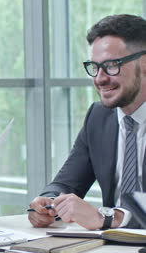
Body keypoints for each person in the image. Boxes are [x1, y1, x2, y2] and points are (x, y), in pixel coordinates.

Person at [28, 14, 146, 230]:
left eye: (112, 65)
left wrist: (111, 218)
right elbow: (67, 182)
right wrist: (48, 202)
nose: (100, 78)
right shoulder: (98, 117)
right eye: (94, 66)